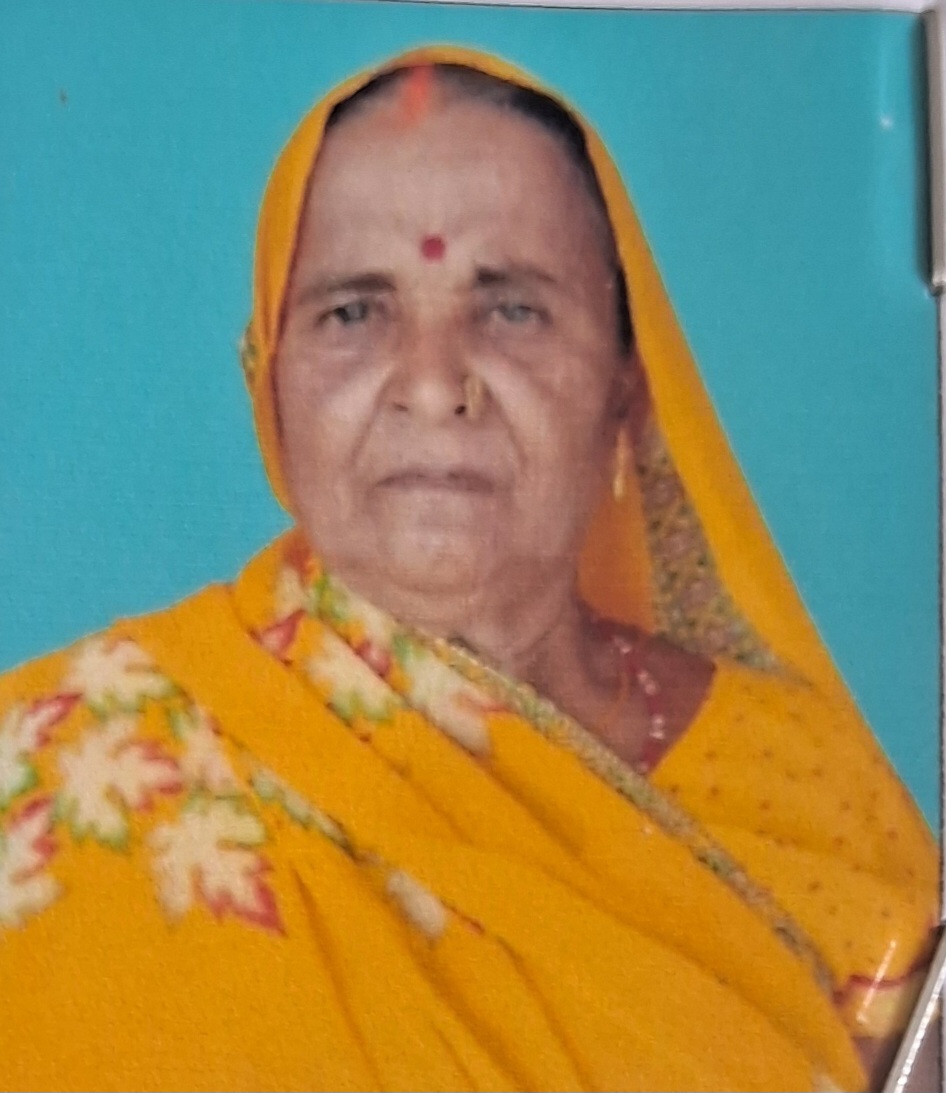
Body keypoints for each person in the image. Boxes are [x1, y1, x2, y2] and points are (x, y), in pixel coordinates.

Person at [0, 44, 937, 1093]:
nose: (435, 383)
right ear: (269, 383)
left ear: (626, 389)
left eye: (512, 309)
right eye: (355, 312)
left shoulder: (807, 788)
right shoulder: (63, 764)